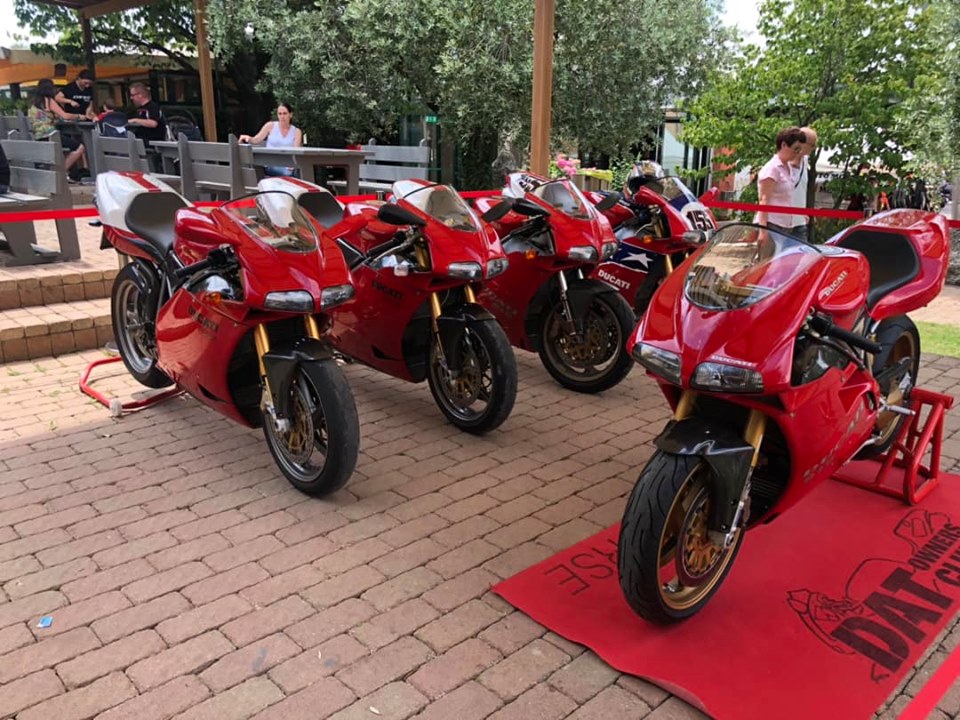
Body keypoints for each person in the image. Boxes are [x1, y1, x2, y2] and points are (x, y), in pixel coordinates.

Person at [28, 79, 86, 181]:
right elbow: (65, 115)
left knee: (67, 147)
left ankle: (67, 173)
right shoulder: (49, 100)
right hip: (50, 135)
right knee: (79, 147)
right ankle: (60, 173)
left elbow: (44, 117)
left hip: (38, 136)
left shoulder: (34, 103)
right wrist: (79, 116)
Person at [756, 126, 807, 238]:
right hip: (772, 224)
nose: (797, 153)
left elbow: (786, 198)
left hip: (784, 225)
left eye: (800, 150)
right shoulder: (772, 168)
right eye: (796, 149)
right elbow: (763, 200)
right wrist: (763, 231)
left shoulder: (788, 167)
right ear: (783, 145)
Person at [238, 103, 302, 177]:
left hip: (288, 165)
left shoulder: (296, 132)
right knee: (289, 174)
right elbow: (256, 140)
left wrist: (293, 165)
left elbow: (296, 152)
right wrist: (247, 138)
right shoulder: (270, 126)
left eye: (285, 113)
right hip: (271, 163)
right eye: (280, 114)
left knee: (296, 172)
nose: (282, 116)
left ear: (290, 115)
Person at [788, 126, 817, 241]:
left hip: (799, 223)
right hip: (780, 223)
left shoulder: (804, 161)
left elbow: (799, 191)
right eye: (812, 145)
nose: (813, 148)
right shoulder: (782, 164)